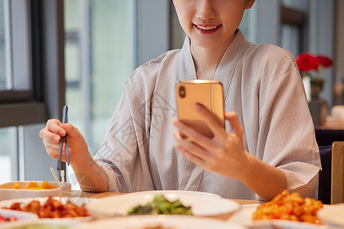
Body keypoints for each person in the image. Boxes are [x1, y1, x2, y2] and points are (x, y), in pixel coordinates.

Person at [40, 0, 321, 201]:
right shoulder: (145, 82)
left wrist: (244, 168)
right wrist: (80, 158)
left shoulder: (274, 68)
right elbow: (109, 181)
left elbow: (301, 187)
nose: (204, 10)